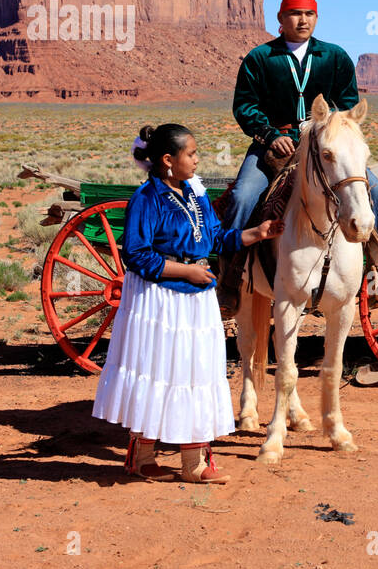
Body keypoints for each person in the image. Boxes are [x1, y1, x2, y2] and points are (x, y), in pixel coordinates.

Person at [93, 123, 282, 482]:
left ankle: (194, 463)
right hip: (160, 302)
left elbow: (213, 237)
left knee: (195, 372)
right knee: (161, 371)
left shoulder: (194, 194)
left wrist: (255, 233)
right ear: (168, 160)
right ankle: (143, 457)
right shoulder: (146, 200)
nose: (197, 160)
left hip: (195, 302)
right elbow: (136, 255)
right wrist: (186, 272)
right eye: (191, 154)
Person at [216, 0, 378, 310]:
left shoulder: (335, 57)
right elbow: (244, 105)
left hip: (324, 145)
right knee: (244, 195)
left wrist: (323, 128)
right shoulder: (260, 59)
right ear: (281, 17)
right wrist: (270, 135)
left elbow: (346, 105)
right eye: (295, 13)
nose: (302, 20)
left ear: (316, 17)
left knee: (375, 192)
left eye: (309, 14)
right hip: (274, 145)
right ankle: (230, 278)